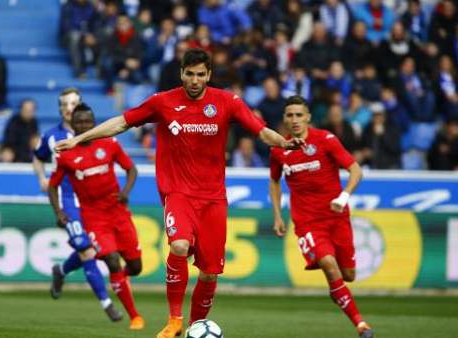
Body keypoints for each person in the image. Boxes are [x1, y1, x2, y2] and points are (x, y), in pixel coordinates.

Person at [55, 48, 303, 338]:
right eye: (190, 74)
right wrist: (80, 139)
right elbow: (121, 122)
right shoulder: (163, 102)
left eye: (201, 74)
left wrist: (284, 144)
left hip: (213, 198)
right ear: (181, 74)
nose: (195, 80)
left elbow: (261, 131)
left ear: (209, 75)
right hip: (178, 193)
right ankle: (174, 319)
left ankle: (195, 327)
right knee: (179, 247)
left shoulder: (226, 102)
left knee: (210, 273)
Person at [268, 95, 374, 338]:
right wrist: (278, 215)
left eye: (299, 115)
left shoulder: (325, 140)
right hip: (307, 222)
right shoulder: (279, 150)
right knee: (328, 262)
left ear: (308, 118)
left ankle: (337, 291)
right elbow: (274, 181)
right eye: (289, 115)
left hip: (337, 216)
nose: (294, 120)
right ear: (284, 119)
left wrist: (344, 197)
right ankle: (361, 325)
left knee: (348, 275)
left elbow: (355, 169)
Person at [49, 103, 144, 330]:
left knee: (136, 266)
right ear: (72, 124)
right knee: (110, 259)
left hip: (118, 212)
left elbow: (132, 169)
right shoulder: (66, 154)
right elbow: (53, 186)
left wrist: (125, 193)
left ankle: (63, 270)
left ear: (93, 123)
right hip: (92, 216)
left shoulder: (109, 143)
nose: (83, 125)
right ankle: (135, 317)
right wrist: (59, 211)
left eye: (87, 122)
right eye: (79, 122)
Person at [32, 88, 121, 322]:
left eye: (74, 103)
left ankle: (60, 270)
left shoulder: (95, 134)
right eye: (65, 104)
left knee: (88, 249)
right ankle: (107, 303)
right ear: (60, 109)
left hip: (93, 202)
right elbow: (37, 156)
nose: (69, 108)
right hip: (67, 200)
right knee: (86, 250)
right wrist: (41, 177)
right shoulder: (52, 136)